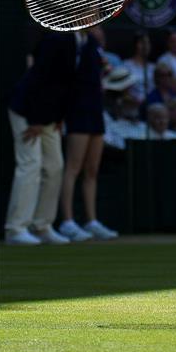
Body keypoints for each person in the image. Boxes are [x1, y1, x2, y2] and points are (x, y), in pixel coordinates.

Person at [4, 33, 76, 245]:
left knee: (55, 166)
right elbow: (40, 78)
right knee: (31, 164)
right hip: (28, 111)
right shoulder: (57, 39)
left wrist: (60, 115)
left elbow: (67, 84)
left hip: (50, 116)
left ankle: (42, 225)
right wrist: (35, 118)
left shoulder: (84, 42)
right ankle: (15, 229)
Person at [59, 29, 118, 242]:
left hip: (95, 110)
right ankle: (67, 221)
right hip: (78, 109)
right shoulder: (71, 42)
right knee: (73, 167)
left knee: (92, 169)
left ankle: (91, 221)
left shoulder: (93, 43)